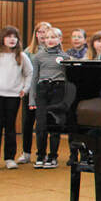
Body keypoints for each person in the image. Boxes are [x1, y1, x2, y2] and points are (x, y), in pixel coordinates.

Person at [0, 26, 33, 170]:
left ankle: (9, 158)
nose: (12, 39)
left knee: (10, 127)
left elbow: (29, 73)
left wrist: (25, 89)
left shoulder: (21, 56)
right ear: (3, 38)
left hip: (13, 96)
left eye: (14, 37)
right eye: (8, 36)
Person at [29, 27, 69, 169]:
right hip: (42, 89)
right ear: (44, 40)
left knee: (54, 124)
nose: (50, 40)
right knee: (41, 124)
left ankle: (53, 156)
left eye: (53, 37)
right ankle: (40, 155)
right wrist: (31, 99)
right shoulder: (38, 57)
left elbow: (68, 78)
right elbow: (34, 78)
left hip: (58, 89)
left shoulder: (65, 57)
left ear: (60, 39)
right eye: (47, 37)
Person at [20, 21, 52, 165]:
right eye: (40, 32)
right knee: (28, 122)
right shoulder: (28, 52)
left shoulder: (52, 51)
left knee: (43, 124)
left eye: (45, 31)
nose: (42, 35)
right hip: (30, 92)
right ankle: (26, 152)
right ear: (36, 34)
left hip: (46, 92)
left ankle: (43, 153)